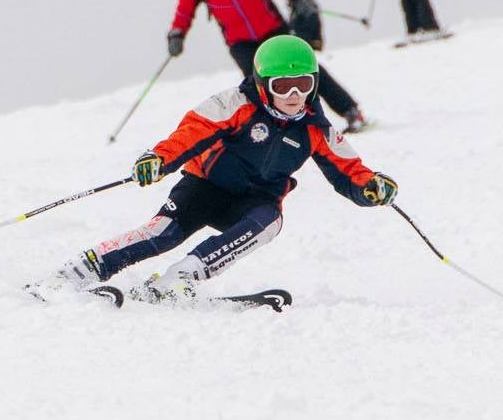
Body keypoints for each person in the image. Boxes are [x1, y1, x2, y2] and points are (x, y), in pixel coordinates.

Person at [43, 34, 398, 301]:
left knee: (270, 222)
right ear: (263, 85)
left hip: (254, 202)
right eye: (282, 85)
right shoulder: (235, 104)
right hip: (206, 187)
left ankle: (180, 279)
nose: (293, 94)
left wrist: (371, 186)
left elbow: (350, 168)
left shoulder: (315, 128)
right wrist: (160, 159)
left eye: (303, 84)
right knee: (163, 233)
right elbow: (191, 132)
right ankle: (80, 270)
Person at [166, 0, 373, 132]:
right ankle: (287, 131)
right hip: (241, 43)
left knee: (304, 70)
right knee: (259, 88)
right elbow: (184, 10)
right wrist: (176, 34)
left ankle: (350, 111)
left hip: (272, 29)